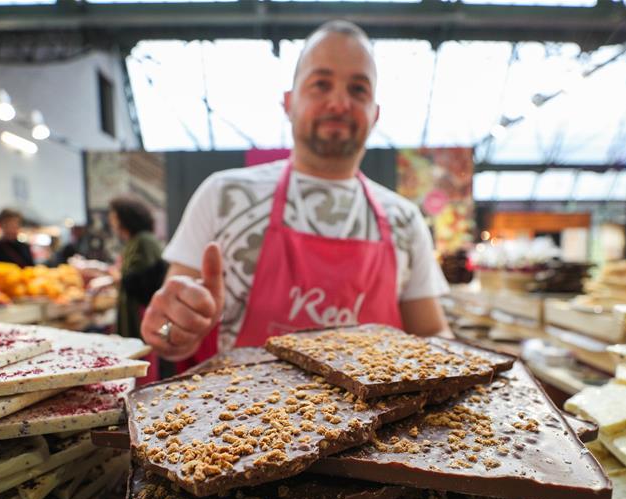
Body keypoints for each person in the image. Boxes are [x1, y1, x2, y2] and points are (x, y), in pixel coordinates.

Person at [141, 20, 450, 360]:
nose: (339, 103)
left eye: (358, 90)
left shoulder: (403, 220)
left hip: (380, 413)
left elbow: (432, 333)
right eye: (321, 84)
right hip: (245, 412)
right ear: (288, 103)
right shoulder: (224, 196)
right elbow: (172, 333)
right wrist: (175, 327)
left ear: (375, 114)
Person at [108, 196, 164, 340]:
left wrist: (115, 275)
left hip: (141, 313)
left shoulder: (144, 240)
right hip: (135, 311)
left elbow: (139, 281)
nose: (111, 221)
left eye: (114, 216)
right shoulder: (135, 241)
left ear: (125, 218)